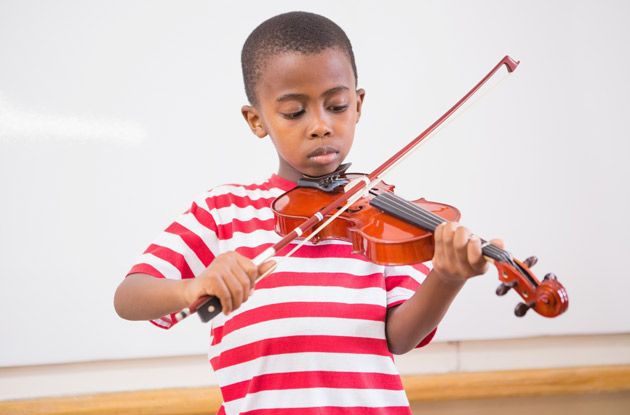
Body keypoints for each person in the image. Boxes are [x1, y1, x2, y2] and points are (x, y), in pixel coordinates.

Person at [114, 11, 502, 415]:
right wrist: (191, 288)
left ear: (358, 105)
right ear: (257, 120)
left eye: (337, 105)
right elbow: (129, 297)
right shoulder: (223, 210)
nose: (320, 125)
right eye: (295, 112)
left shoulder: (385, 217)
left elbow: (401, 338)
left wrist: (447, 277)